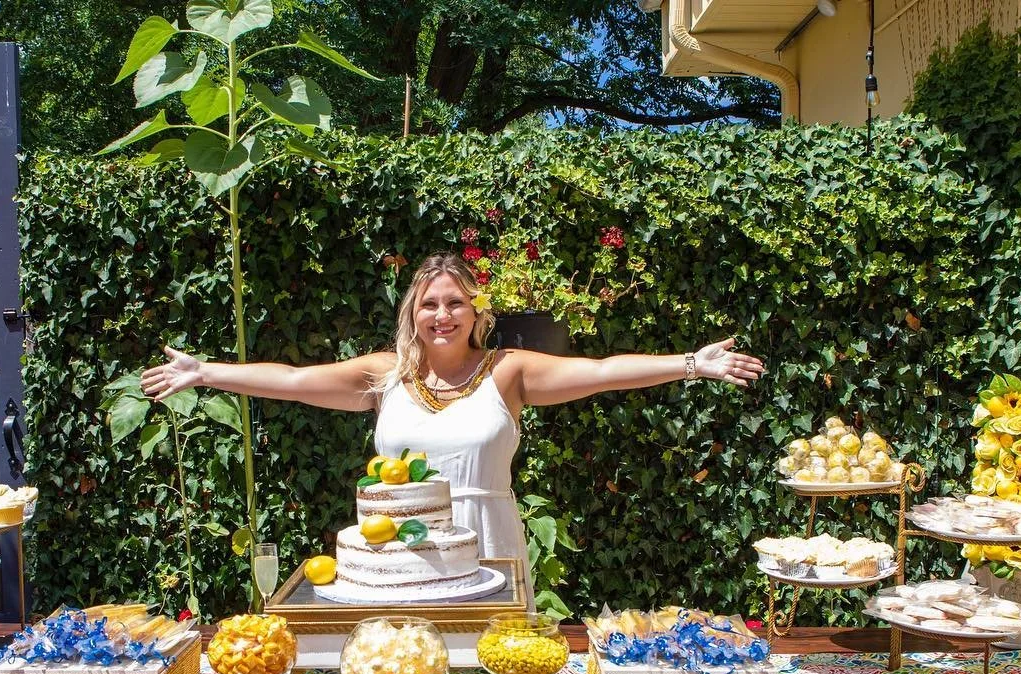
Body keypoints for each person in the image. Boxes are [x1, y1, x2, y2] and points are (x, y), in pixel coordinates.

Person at [141, 250, 765, 606]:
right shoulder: (381, 377)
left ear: (476, 313)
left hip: (490, 543)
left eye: (455, 302)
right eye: (429, 304)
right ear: (413, 315)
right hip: (401, 556)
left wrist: (691, 363)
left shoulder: (509, 372)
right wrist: (206, 372)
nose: (442, 314)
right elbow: (296, 381)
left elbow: (601, 370)